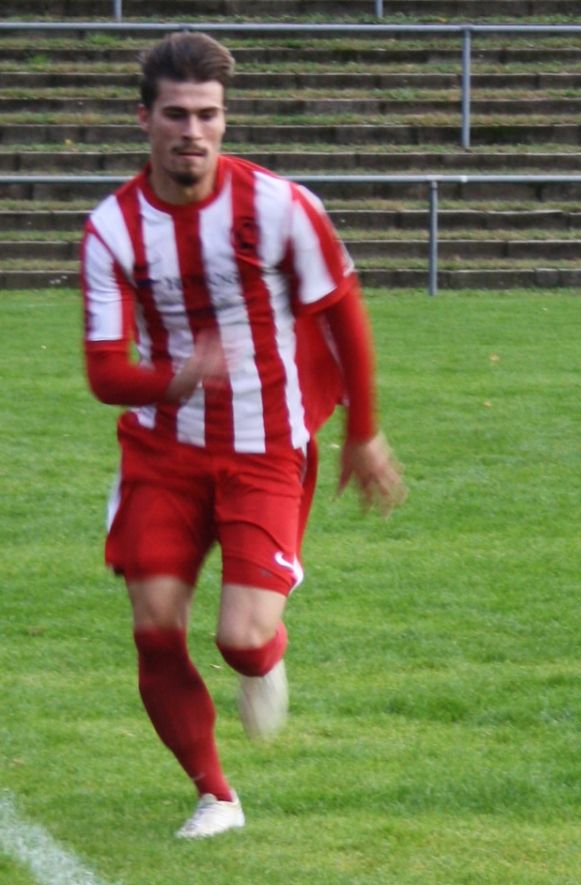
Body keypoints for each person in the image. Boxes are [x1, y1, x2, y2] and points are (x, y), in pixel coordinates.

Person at [80, 32, 405, 838]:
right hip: (162, 453)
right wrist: (177, 377)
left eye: (208, 115)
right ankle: (216, 795)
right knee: (155, 623)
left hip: (267, 449)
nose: (192, 131)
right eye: (176, 114)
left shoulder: (280, 206)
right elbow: (104, 372)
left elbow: (345, 315)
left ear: (225, 119)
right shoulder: (112, 230)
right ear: (145, 119)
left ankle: (265, 654)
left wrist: (363, 433)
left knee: (241, 641)